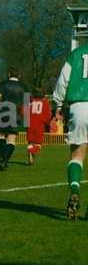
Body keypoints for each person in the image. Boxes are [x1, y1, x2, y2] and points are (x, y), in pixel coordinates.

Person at [53, 43, 88, 220]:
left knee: (77, 156)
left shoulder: (75, 54)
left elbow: (63, 81)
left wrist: (58, 104)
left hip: (79, 107)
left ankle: (75, 189)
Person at [0, 67, 25, 171]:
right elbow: (26, 102)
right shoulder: (23, 87)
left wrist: (0, 102)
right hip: (16, 114)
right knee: (12, 139)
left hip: (3, 112)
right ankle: (5, 160)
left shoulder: (3, 84)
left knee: (3, 135)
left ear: (9, 74)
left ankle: (2, 158)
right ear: (19, 75)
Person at [26, 88, 52, 165]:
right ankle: (31, 151)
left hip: (30, 124)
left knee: (30, 141)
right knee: (38, 144)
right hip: (40, 125)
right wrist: (46, 123)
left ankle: (31, 158)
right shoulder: (45, 103)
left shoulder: (29, 101)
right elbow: (48, 115)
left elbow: (23, 111)